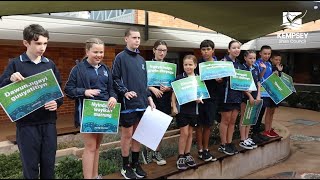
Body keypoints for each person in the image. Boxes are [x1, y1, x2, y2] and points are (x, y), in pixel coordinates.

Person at [0, 24, 63, 179]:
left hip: (48, 123)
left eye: (45, 43)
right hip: (26, 126)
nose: (42, 47)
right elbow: (2, 89)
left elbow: (59, 91)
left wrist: (57, 102)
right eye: (38, 43)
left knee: (49, 166)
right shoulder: (15, 64)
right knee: (30, 168)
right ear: (26, 43)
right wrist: (10, 79)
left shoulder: (50, 64)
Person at [64, 38, 117, 179]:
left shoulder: (106, 69)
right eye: (95, 52)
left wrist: (113, 97)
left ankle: (95, 176)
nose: (99, 55)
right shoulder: (78, 69)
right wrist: (84, 92)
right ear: (87, 51)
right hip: (88, 113)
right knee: (90, 147)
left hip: (104, 113)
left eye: (101, 52)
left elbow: (112, 89)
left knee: (97, 147)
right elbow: (68, 89)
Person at [112, 27, 156, 179]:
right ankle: (125, 166)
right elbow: (115, 79)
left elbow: (144, 83)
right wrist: (125, 91)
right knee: (127, 135)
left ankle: (136, 164)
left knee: (138, 135)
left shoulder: (142, 60)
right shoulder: (120, 57)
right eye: (134, 38)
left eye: (138, 38)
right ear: (126, 39)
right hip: (127, 105)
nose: (137, 40)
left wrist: (149, 98)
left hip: (142, 104)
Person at [141, 40, 171, 166]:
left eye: (164, 50)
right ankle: (148, 152)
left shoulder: (170, 67)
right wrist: (151, 88)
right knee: (150, 127)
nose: (162, 53)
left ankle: (156, 153)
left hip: (164, 99)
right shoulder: (146, 65)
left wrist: (169, 88)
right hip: (150, 98)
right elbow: (140, 82)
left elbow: (174, 84)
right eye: (159, 50)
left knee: (160, 127)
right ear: (154, 50)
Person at [172, 54, 200, 170]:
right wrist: (174, 106)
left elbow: (201, 93)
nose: (188, 67)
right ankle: (181, 156)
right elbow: (173, 94)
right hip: (182, 110)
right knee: (184, 133)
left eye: (190, 64)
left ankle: (188, 154)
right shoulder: (179, 78)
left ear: (195, 65)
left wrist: (200, 98)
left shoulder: (198, 78)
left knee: (190, 133)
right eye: (185, 65)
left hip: (194, 109)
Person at [195, 40, 220, 162]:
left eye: (208, 49)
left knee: (208, 125)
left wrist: (220, 80)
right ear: (201, 51)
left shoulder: (218, 64)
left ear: (213, 50)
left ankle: (206, 149)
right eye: (203, 50)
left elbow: (223, 82)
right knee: (199, 125)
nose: (205, 52)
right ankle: (200, 150)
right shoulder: (197, 63)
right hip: (199, 99)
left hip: (212, 99)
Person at [218, 40, 243, 155]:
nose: (236, 50)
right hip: (226, 96)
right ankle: (223, 144)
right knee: (226, 120)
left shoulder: (239, 64)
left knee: (233, 121)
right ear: (229, 50)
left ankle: (229, 143)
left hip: (237, 96)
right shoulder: (222, 62)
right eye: (234, 48)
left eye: (238, 48)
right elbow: (217, 78)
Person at [251, 45, 274, 144]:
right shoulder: (256, 63)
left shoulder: (269, 64)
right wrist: (263, 69)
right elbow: (258, 78)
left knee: (261, 114)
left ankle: (257, 133)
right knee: (256, 114)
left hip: (267, 93)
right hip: (258, 93)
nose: (267, 55)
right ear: (260, 53)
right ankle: (253, 134)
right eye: (265, 53)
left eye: (269, 54)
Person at [239, 50, 260, 150]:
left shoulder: (256, 68)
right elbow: (241, 85)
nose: (252, 60)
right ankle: (242, 139)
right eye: (250, 58)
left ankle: (247, 137)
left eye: (254, 58)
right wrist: (249, 96)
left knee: (250, 117)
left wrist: (258, 95)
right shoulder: (242, 69)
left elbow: (258, 82)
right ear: (245, 58)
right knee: (244, 117)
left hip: (255, 96)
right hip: (245, 97)